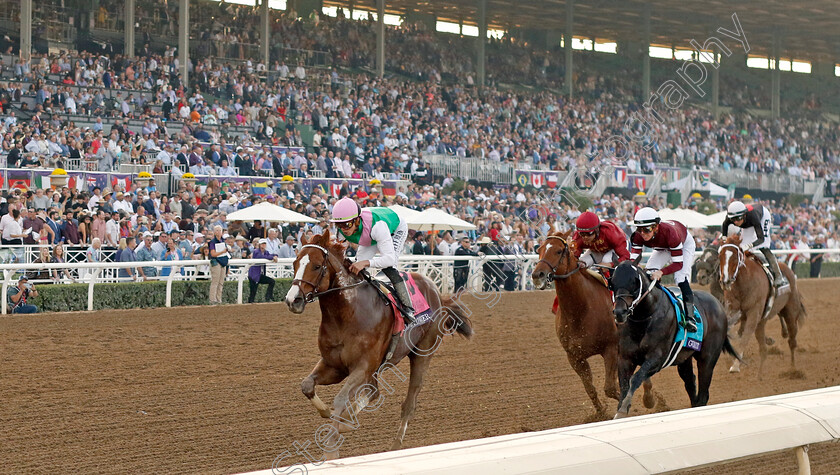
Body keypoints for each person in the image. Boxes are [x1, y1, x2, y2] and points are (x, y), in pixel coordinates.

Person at [330, 197, 415, 323]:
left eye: (347, 225)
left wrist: (365, 262)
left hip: (394, 229)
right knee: (356, 269)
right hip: (369, 236)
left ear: (357, 220)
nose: (344, 229)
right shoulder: (342, 230)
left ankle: (408, 309)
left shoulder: (378, 227)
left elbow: (389, 260)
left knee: (389, 268)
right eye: (339, 225)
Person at [630, 207, 698, 333]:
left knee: (680, 278)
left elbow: (677, 264)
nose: (643, 233)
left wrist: (661, 272)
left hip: (683, 244)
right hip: (662, 246)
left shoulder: (671, 233)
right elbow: (633, 262)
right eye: (639, 229)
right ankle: (654, 308)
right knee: (650, 272)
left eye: (646, 229)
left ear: (656, 227)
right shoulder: (637, 236)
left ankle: (690, 317)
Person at [722, 201, 787, 288]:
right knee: (741, 246)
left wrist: (750, 245)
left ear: (744, 215)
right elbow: (724, 225)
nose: (736, 222)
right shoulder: (730, 218)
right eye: (733, 220)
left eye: (738, 219)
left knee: (763, 246)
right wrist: (724, 238)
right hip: (748, 222)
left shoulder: (753, 217)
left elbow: (761, 239)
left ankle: (778, 276)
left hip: (763, 216)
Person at [249, 238, 278, 302]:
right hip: (253, 275)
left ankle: (268, 297)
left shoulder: (266, 252)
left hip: (259, 275)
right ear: (259, 245)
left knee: (272, 281)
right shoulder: (256, 251)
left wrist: (275, 256)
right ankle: (250, 304)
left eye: (265, 244)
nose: (264, 245)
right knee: (253, 292)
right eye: (262, 244)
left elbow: (270, 255)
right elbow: (262, 257)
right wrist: (272, 257)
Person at [208, 225, 229, 304]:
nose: (218, 232)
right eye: (216, 230)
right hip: (216, 262)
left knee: (221, 282)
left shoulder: (223, 241)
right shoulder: (212, 242)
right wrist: (222, 252)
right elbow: (213, 254)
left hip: (223, 262)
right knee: (215, 281)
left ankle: (219, 299)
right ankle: (212, 299)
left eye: (219, 230)